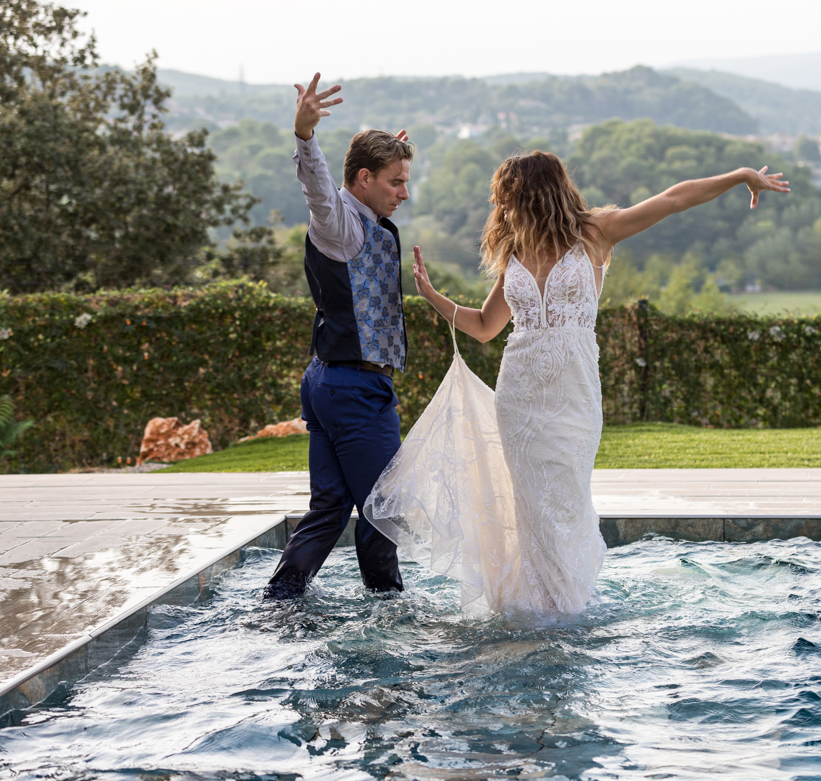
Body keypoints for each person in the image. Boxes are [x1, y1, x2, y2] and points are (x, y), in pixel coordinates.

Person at [363, 149, 789, 619]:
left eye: (507, 197)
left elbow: (672, 200)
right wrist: (431, 296)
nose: (501, 208)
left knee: (565, 501)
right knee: (532, 508)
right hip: (519, 397)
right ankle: (540, 611)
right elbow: (485, 326)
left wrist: (741, 176)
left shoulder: (596, 233)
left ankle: (566, 606)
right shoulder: (516, 253)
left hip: (575, 396)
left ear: (535, 192)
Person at [262, 73, 415, 600]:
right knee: (382, 507)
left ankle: (280, 600)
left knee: (330, 507)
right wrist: (305, 138)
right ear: (364, 178)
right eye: (395, 181)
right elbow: (319, 190)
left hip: (327, 380)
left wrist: (392, 150)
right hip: (352, 389)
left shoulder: (365, 219)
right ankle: (388, 610)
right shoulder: (340, 225)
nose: (404, 192)